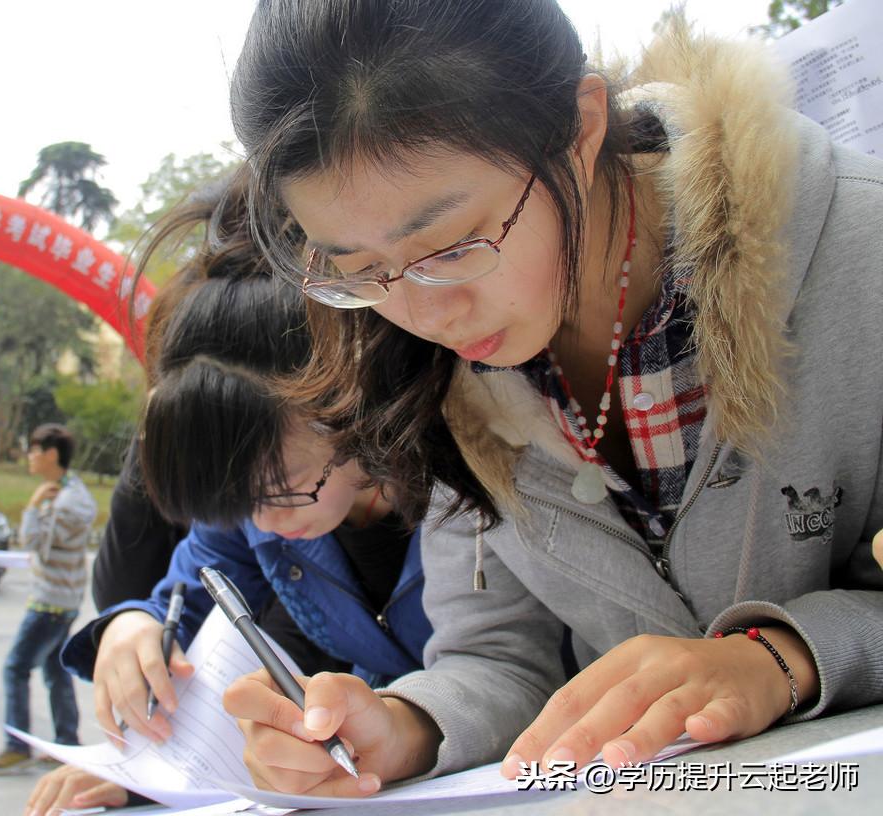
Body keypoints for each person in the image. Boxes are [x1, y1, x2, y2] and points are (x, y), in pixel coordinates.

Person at [219, 0, 883, 797]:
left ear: (581, 127)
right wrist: (403, 726)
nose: (425, 315)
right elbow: (497, 653)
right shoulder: (433, 372)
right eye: (357, 269)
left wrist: (783, 657)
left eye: (456, 245)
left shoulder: (860, 248)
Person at [25, 171, 430, 816]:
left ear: (349, 403)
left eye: (281, 490)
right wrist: (133, 629)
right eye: (238, 501)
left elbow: (508, 664)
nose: (262, 522)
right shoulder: (256, 508)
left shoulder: (466, 488)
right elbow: (179, 606)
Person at [0, 424, 97, 775]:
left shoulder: (67, 501)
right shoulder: (68, 492)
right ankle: (66, 743)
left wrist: (31, 507)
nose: (29, 458)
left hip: (51, 602)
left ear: (50, 454)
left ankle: (17, 745)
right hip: (60, 598)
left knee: (15, 667)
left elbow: (34, 542)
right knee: (55, 669)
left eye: (33, 451)